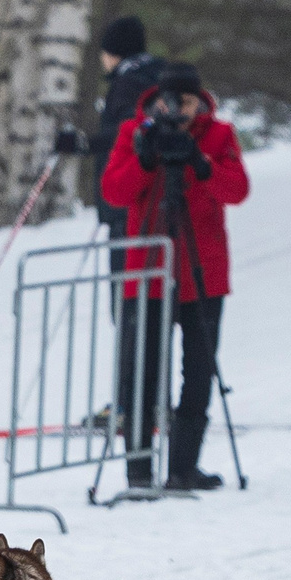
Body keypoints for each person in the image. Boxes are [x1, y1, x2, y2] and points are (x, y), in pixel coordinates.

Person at [97, 62, 249, 492]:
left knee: (198, 372)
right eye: (170, 100)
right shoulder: (135, 132)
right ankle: (139, 469)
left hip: (202, 274)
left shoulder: (219, 136)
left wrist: (201, 165)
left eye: (185, 100)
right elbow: (114, 192)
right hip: (147, 270)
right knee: (142, 372)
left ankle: (183, 466)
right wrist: (146, 160)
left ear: (198, 99)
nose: (177, 109)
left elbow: (236, 190)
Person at [53, 14, 165, 236]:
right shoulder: (158, 77)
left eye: (105, 52)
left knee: (127, 269)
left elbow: (128, 131)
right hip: (158, 198)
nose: (103, 59)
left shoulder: (129, 83)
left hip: (129, 199)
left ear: (115, 53)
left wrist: (82, 143)